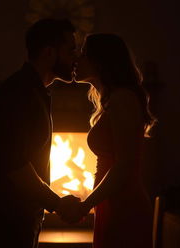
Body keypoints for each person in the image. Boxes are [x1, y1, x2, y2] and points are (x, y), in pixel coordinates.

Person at [0, 18, 80, 248]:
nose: (75, 57)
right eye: (71, 49)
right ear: (48, 52)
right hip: (9, 218)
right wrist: (57, 203)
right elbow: (16, 166)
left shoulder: (33, 91)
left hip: (19, 216)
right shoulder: (20, 93)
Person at [72, 33, 157, 247]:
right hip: (111, 203)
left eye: (83, 54)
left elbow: (124, 166)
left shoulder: (122, 99)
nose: (77, 59)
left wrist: (87, 204)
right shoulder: (111, 101)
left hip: (125, 206)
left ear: (100, 62)